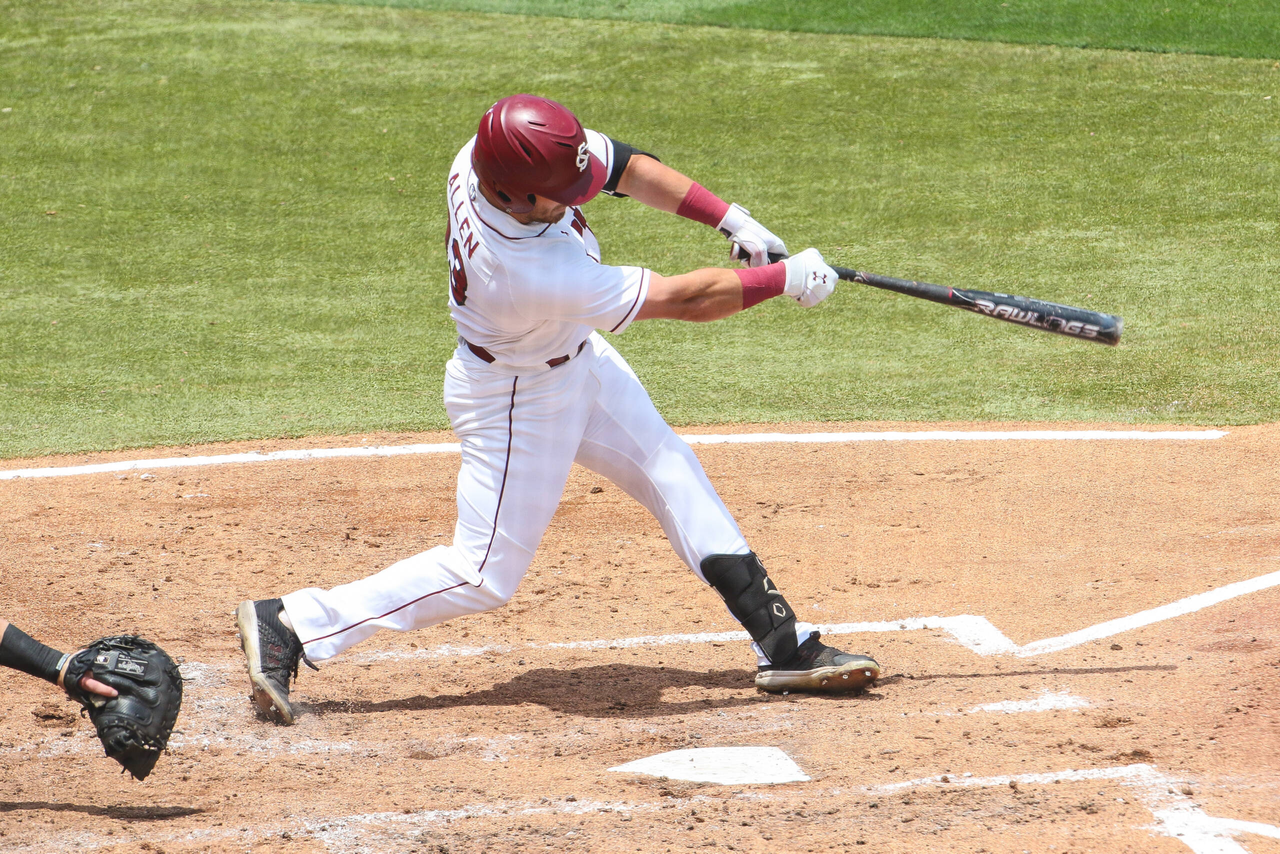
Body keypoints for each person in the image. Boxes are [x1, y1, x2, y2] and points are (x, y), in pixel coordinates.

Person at [236, 94, 881, 725]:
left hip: (577, 360)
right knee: (483, 573)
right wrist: (785, 280)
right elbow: (684, 300)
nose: (574, 200)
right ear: (513, 197)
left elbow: (623, 166)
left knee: (669, 467)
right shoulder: (522, 269)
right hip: (516, 398)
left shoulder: (493, 157)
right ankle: (295, 623)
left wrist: (730, 218)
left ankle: (784, 644)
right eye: (557, 197)